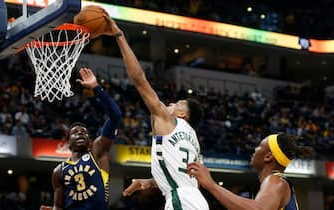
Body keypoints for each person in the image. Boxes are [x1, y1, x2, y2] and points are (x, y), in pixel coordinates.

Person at [103, 16, 209, 210]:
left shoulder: (167, 120)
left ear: (184, 115)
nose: (171, 103)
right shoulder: (194, 141)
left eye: (178, 103)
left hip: (180, 200)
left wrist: (119, 36)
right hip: (196, 200)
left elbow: (139, 79)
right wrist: (151, 182)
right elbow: (195, 180)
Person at [40, 67, 122, 210]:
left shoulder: (97, 153)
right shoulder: (59, 171)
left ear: (90, 141)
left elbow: (116, 116)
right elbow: (58, 206)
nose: (80, 133)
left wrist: (96, 88)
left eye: (84, 132)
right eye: (76, 132)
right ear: (68, 143)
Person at [188, 134, 314, 210]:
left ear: (268, 156)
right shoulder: (273, 184)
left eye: (259, 146)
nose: (255, 149)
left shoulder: (276, 181)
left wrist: (212, 185)